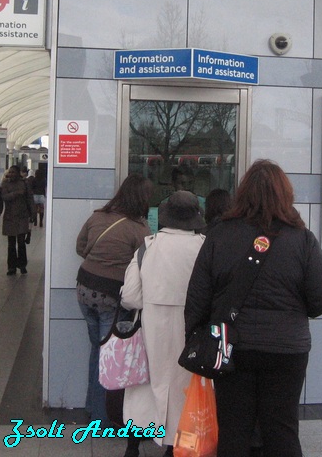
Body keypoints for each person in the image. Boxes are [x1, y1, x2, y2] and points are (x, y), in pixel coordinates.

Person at [184, 159, 322, 457]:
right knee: (281, 429)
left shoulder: (220, 234)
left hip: (231, 347)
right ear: (285, 195)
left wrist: (196, 338)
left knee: (233, 429)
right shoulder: (301, 239)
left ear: (243, 193)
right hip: (286, 350)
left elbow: (198, 295)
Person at [120, 191, 206, 457]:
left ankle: (132, 446)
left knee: (145, 386)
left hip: (152, 327)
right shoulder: (205, 247)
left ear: (165, 216)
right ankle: (173, 446)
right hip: (191, 327)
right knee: (184, 387)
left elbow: (131, 296)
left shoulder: (147, 247)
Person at [74, 173, 153, 425]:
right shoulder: (139, 228)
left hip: (84, 289)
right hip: (111, 296)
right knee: (109, 356)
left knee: (97, 350)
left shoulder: (98, 216)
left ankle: (92, 407)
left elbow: (80, 247)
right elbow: (148, 264)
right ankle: (103, 418)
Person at [1, 165, 34, 276]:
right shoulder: (5, 183)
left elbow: (30, 198)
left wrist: (32, 213)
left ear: (18, 173)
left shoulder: (25, 183)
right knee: (11, 244)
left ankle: (22, 265)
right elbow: (4, 197)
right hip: (10, 217)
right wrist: (16, 194)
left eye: (13, 172)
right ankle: (11, 267)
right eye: (10, 172)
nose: (11, 174)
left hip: (22, 216)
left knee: (21, 242)